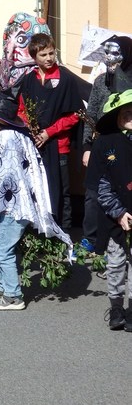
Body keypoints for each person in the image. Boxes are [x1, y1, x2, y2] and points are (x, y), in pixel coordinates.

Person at [0, 90, 71, 311]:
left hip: (13, 207)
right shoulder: (12, 135)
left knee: (3, 249)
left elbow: (7, 176)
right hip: (14, 204)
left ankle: (13, 295)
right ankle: (3, 288)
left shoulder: (6, 138)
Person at [16, 33, 84, 230]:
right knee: (38, 188)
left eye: (51, 53)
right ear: (34, 57)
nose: (49, 58)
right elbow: (21, 110)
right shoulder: (29, 80)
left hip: (58, 145)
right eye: (43, 55)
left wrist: (49, 132)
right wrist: (31, 128)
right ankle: (41, 232)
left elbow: (75, 114)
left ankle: (64, 234)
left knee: (61, 191)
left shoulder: (65, 79)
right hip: (35, 144)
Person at [81, 35, 132, 251]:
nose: (110, 57)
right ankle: (92, 239)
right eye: (107, 52)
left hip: (126, 146)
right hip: (102, 144)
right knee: (95, 193)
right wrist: (87, 147)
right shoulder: (100, 81)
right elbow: (91, 114)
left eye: (115, 53)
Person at [89, 89, 132, 330]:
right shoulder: (106, 144)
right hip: (115, 218)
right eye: (125, 112)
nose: (130, 116)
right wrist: (119, 213)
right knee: (115, 264)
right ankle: (116, 308)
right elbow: (101, 186)